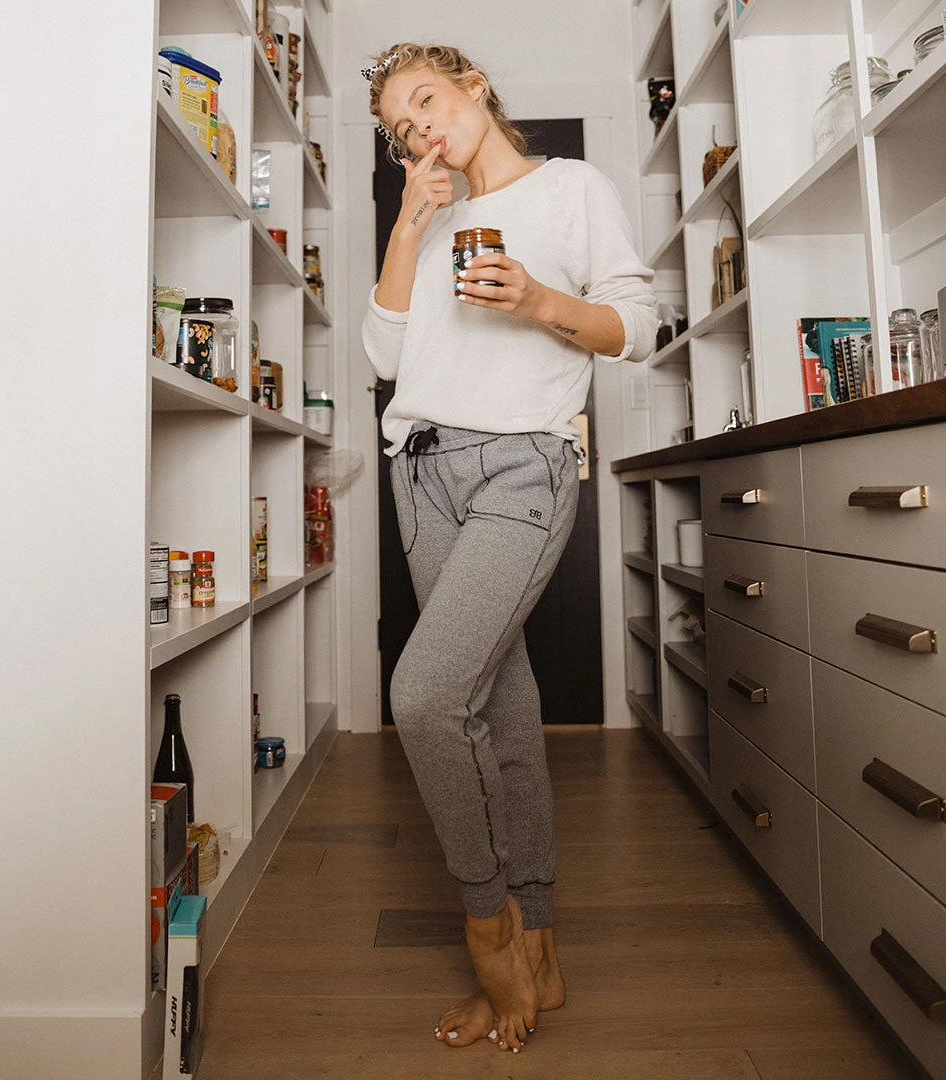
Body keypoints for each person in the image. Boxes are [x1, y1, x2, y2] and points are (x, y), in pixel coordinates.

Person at [361, 42, 657, 1055]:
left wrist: (538, 302)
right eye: (402, 126)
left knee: (424, 695)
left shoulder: (571, 189)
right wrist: (409, 222)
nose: (421, 127)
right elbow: (382, 355)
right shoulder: (430, 215)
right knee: (499, 701)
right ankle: (544, 940)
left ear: (474, 88)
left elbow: (639, 325)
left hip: (523, 466)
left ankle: (489, 926)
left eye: (428, 100)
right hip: (421, 472)